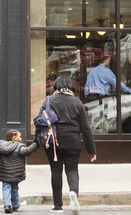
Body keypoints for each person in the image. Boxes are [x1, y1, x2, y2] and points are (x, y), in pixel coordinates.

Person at [38, 76, 96, 214]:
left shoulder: (48, 101)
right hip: (73, 141)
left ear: (56, 87)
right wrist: (91, 149)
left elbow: (39, 122)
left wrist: (37, 141)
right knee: (72, 169)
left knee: (56, 170)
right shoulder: (77, 103)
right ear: (71, 88)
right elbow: (86, 128)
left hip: (53, 142)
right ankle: (73, 193)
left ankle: (57, 206)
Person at [0, 129, 39, 214]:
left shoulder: (1, 147)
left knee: (6, 188)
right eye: (19, 136)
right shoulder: (19, 147)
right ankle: (15, 205)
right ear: (14, 138)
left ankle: (7, 205)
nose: (21, 137)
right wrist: (36, 143)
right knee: (15, 188)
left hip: (4, 173)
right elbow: (28, 151)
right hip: (16, 174)